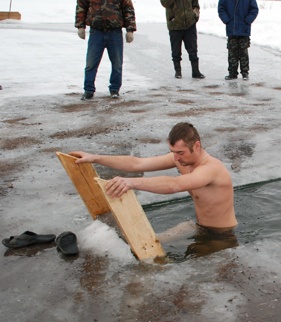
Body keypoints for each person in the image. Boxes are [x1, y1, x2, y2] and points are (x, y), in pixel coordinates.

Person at [69, 122, 238, 235]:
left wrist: (132, 182)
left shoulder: (211, 169)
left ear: (197, 146)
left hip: (222, 234)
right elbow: (137, 164)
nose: (176, 158)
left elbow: (175, 185)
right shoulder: (180, 159)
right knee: (154, 243)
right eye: (173, 152)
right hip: (200, 226)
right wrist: (96, 158)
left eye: (180, 153)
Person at [76, 0, 137, 100]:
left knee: (117, 63)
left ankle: (114, 89)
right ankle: (88, 90)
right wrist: (80, 26)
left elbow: (128, 9)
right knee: (91, 64)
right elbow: (81, 5)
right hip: (96, 31)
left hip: (115, 32)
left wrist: (130, 30)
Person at [160, 0, 205, 79]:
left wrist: (195, 15)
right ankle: (178, 71)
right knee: (176, 50)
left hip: (190, 23)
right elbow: (164, 3)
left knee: (193, 49)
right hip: (175, 24)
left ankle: (195, 71)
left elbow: (195, 3)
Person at [218, 0, 258, 80]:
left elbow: (254, 9)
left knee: (243, 52)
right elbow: (221, 9)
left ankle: (245, 73)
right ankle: (232, 73)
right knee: (232, 52)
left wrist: (248, 20)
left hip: (244, 29)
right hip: (231, 29)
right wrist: (226, 20)